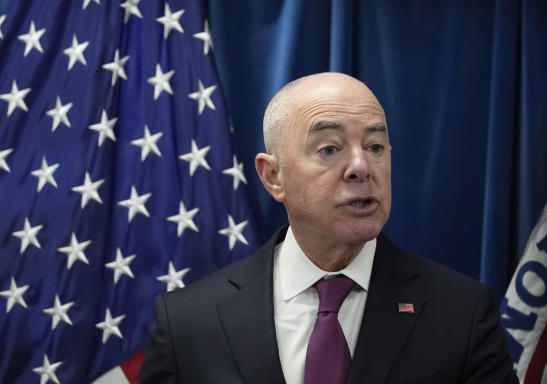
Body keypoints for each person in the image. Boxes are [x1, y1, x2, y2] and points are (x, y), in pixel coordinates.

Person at [139, 72, 518, 384]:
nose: (361, 166)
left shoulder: (461, 313)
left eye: (375, 146)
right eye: (329, 149)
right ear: (273, 176)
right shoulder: (187, 323)